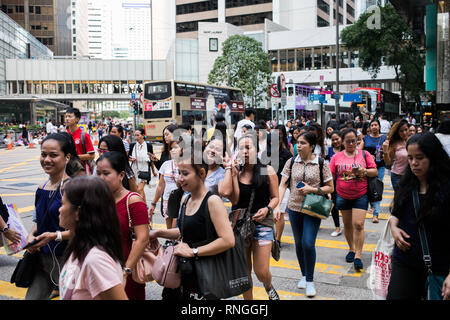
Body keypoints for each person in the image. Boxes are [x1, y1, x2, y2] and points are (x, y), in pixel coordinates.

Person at [149, 152, 235, 300]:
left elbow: (228, 240)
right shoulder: (185, 199)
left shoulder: (212, 201)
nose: (180, 179)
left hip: (204, 275)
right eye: (178, 173)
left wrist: (194, 251)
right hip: (182, 270)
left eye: (185, 173)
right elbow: (185, 231)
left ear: (201, 173)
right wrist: (157, 233)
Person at [387, 133, 450, 300]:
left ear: (433, 157)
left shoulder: (446, 188)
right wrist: (393, 228)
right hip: (405, 261)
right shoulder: (406, 184)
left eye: (420, 158)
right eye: (410, 158)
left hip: (440, 267)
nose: (414, 163)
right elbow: (396, 214)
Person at [220, 133, 280, 300]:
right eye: (241, 148)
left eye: (248, 147)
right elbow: (232, 197)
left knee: (261, 271)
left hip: (262, 223)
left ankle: (268, 286)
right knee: (244, 273)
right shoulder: (235, 172)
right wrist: (230, 172)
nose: (245, 151)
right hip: (239, 225)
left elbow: (275, 197)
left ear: (257, 149)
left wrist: (268, 209)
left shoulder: (267, 170)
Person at [276, 132, 334, 297]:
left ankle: (310, 280)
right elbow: (282, 185)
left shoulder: (321, 163)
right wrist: (277, 206)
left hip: (313, 207)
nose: (298, 146)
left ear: (312, 146)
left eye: (302, 143)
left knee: (308, 243)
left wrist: (313, 190)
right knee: (299, 244)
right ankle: (303, 274)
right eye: (297, 143)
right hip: (294, 208)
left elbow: (331, 187)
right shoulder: (292, 161)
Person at [58, 176, 128, 300]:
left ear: (78, 212)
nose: (60, 209)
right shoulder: (78, 248)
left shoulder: (96, 261)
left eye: (63, 204)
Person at [96, 152, 150, 300]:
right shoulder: (98, 200)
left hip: (125, 272)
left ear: (121, 175)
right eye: (98, 173)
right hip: (100, 270)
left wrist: (126, 270)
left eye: (106, 173)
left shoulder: (133, 201)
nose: (101, 178)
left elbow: (142, 239)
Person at [24, 134, 72, 300]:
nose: (47, 159)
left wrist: (55, 236)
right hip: (42, 260)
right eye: (44, 154)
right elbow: (39, 221)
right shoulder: (41, 188)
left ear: (67, 157)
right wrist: (31, 236)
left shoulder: (72, 189)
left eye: (53, 155)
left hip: (68, 261)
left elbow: (83, 230)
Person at [329, 128, 378, 271]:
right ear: (342, 142)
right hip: (342, 195)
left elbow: (374, 171)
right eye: (348, 141)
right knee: (347, 225)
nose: (351, 143)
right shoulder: (336, 158)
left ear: (357, 140)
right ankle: (351, 248)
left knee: (358, 224)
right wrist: (328, 192)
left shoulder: (365, 154)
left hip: (361, 194)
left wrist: (364, 171)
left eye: (353, 140)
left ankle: (358, 254)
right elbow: (331, 177)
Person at [149, 140, 182, 229]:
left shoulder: (188, 165)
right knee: (170, 230)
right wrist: (153, 204)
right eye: (171, 148)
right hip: (168, 199)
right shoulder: (166, 165)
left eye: (175, 148)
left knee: (176, 228)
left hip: (182, 200)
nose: (172, 150)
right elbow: (160, 186)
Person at [360, 119, 387, 223]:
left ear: (379, 127)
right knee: (365, 188)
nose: (374, 127)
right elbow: (359, 151)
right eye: (372, 125)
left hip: (379, 166)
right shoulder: (365, 138)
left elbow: (387, 151)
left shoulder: (384, 138)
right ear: (369, 128)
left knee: (376, 188)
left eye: (376, 125)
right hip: (366, 167)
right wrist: (367, 155)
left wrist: (385, 154)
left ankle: (375, 214)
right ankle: (365, 210)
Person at [129, 128, 158, 203]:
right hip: (134, 170)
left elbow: (151, 159)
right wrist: (130, 159)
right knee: (139, 190)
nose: (136, 137)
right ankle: (145, 207)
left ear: (142, 135)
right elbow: (127, 157)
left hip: (145, 170)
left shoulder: (148, 146)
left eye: (138, 135)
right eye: (135, 135)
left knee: (139, 189)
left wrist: (153, 171)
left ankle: (142, 207)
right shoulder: (132, 145)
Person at [65, 108, 95, 174]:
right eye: (66, 116)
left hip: (82, 172)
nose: (67, 118)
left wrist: (74, 158)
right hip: (66, 171)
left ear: (77, 119)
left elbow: (92, 156)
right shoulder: (64, 135)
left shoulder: (84, 135)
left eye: (70, 116)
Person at [382, 120, 409, 191]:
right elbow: (388, 162)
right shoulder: (395, 144)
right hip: (397, 176)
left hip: (410, 176)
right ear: (397, 132)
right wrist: (385, 151)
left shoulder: (412, 141)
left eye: (406, 129)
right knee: (400, 199)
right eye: (401, 131)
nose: (404, 133)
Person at [326, 131, 344, 237]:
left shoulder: (346, 150)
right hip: (332, 182)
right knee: (334, 205)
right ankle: (337, 227)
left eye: (337, 139)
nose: (335, 141)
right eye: (333, 139)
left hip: (345, 182)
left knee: (344, 205)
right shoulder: (329, 150)